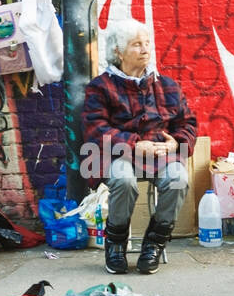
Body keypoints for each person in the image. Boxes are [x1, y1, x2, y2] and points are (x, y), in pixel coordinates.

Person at [82, 19, 197, 275]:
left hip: (159, 154)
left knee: (178, 179)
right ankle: (116, 242)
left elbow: (187, 122)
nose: (145, 49)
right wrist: (134, 144)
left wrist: (175, 144)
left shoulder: (167, 86)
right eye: (136, 45)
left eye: (147, 43)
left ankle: (154, 242)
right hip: (116, 154)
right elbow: (95, 129)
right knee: (124, 181)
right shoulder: (100, 87)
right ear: (118, 52)